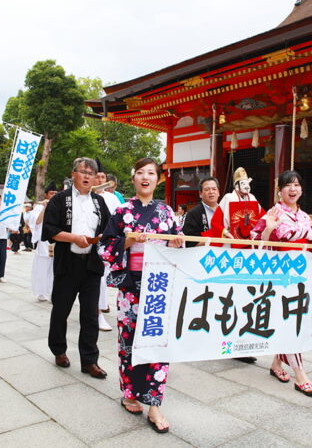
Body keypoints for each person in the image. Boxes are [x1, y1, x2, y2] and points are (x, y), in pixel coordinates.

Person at [99, 158, 183, 434]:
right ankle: (130, 392)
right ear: (133, 177)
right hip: (131, 286)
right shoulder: (122, 211)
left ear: (158, 180)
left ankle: (155, 403)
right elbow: (106, 246)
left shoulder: (166, 211)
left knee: (159, 339)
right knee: (130, 340)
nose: (146, 177)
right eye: (140, 173)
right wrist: (129, 240)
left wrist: (176, 241)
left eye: (151, 173)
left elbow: (178, 242)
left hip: (159, 285)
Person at [252, 170, 312, 397]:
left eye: (296, 185)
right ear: (280, 190)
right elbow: (254, 244)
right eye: (287, 185)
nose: (292, 189)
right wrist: (268, 229)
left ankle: (277, 364)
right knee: (289, 319)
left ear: (302, 190)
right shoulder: (272, 213)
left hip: (301, 274)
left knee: (291, 319)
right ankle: (300, 374)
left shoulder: (305, 217)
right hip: (279, 275)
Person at [42, 157, 111, 379]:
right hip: (67, 262)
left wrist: (102, 239)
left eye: (92, 173)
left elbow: (109, 230)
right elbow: (50, 230)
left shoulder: (99, 203)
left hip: (91, 265)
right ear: (74, 174)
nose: (88, 176)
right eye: (83, 172)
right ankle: (59, 350)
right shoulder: (60, 200)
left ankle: (90, 361)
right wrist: (73, 238)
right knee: (61, 310)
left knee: (90, 314)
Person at [94, 160, 122, 331]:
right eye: (96, 176)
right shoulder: (85, 196)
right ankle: (95, 312)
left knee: (102, 279)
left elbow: (121, 220)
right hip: (88, 242)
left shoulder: (112, 198)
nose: (99, 179)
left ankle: (99, 311)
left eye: (102, 176)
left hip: (107, 243)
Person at [210, 167, 265, 245]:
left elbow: (262, 217)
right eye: (243, 183)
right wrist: (226, 233)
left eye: (247, 183)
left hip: (250, 239)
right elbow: (215, 222)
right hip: (231, 239)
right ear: (236, 185)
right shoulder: (228, 198)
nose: (246, 186)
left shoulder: (252, 198)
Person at [28, 184, 57, 301]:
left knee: (54, 269)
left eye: (55, 194)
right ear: (46, 194)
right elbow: (36, 222)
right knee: (42, 268)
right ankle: (41, 292)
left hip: (55, 241)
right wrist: (45, 208)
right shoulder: (39, 207)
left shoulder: (59, 205)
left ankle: (52, 293)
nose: (53, 196)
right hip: (44, 242)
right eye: (51, 194)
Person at [182, 177, 219, 247]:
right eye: (207, 189)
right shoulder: (193, 214)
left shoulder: (225, 210)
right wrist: (215, 240)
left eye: (214, 189)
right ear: (200, 194)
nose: (211, 192)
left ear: (218, 192)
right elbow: (189, 242)